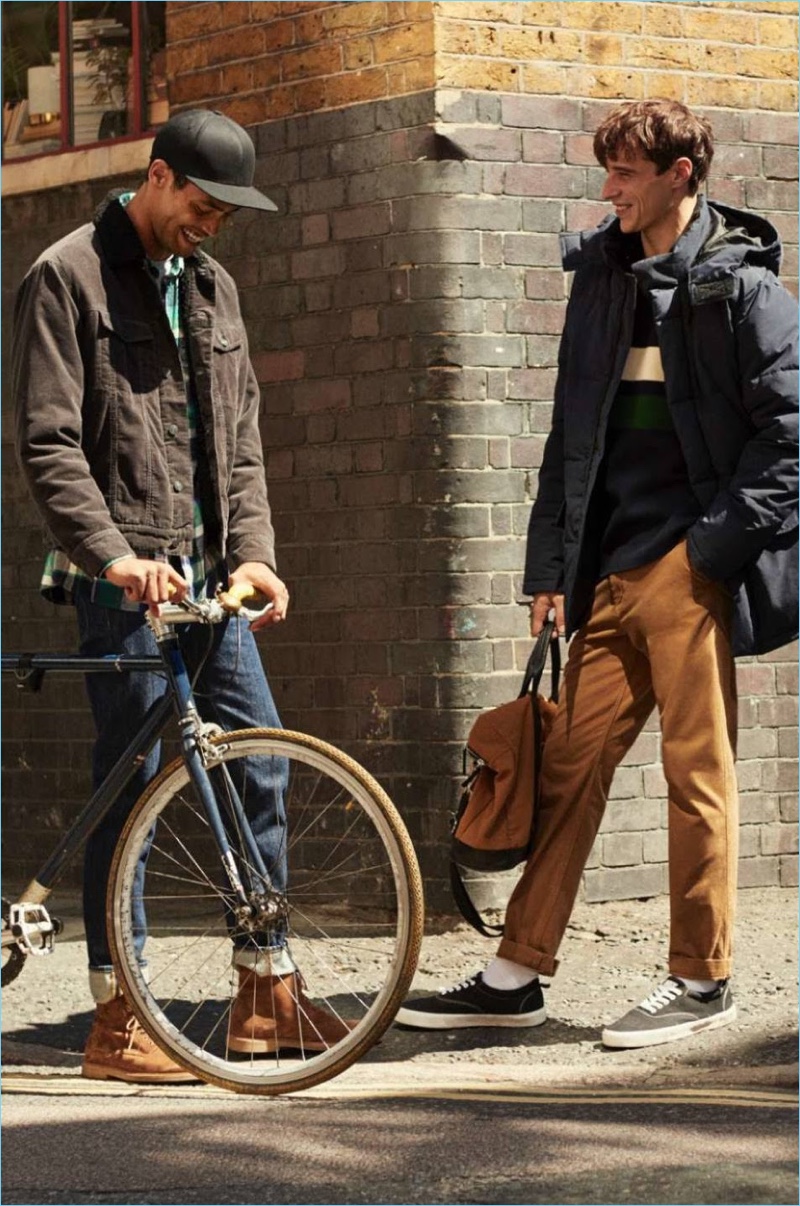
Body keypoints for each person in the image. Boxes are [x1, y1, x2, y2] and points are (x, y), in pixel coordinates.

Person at [396, 99, 798, 1048]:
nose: (607, 188)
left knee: (696, 773)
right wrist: (551, 566)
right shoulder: (603, 283)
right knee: (568, 770)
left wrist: (710, 553)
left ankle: (702, 980)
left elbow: (790, 440)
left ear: (679, 176)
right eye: (605, 169)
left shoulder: (744, 291)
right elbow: (571, 437)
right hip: (609, 572)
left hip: (692, 565)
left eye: (624, 172)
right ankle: (517, 973)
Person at [12, 109, 350, 1082]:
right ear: (156, 178)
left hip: (207, 583)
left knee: (260, 765)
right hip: (123, 582)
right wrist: (113, 556)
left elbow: (237, 443)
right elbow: (48, 443)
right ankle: (118, 1018)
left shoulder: (213, 286)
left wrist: (256, 553)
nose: (212, 227)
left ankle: (264, 994)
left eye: (226, 216)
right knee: (132, 788)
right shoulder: (67, 275)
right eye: (203, 206)